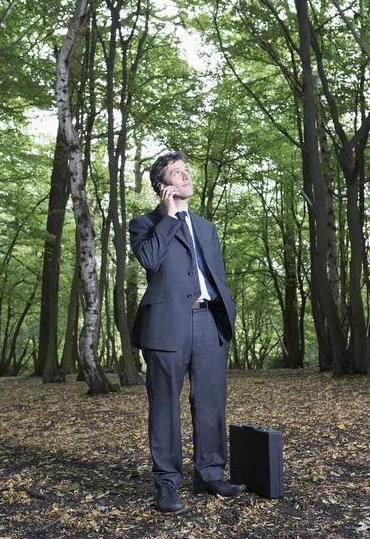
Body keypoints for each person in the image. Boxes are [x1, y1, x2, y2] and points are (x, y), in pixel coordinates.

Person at [129, 151, 246, 513]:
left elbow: (216, 274)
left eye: (186, 171)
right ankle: (167, 482)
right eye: (177, 173)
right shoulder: (144, 223)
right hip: (166, 326)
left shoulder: (207, 227)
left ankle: (210, 473)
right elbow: (149, 261)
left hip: (209, 322)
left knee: (211, 402)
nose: (186, 176)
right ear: (163, 186)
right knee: (164, 406)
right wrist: (168, 219)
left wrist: (227, 310)